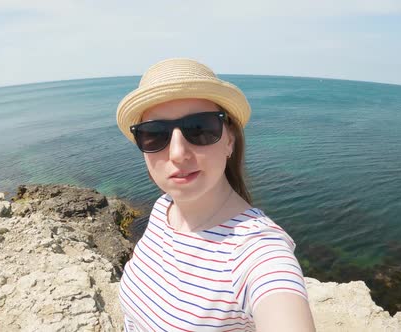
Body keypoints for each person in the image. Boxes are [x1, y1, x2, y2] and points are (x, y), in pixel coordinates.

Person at [116, 58, 316, 331]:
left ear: (230, 139)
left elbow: (278, 296)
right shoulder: (165, 208)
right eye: (154, 134)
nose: (177, 153)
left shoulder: (256, 251)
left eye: (199, 128)